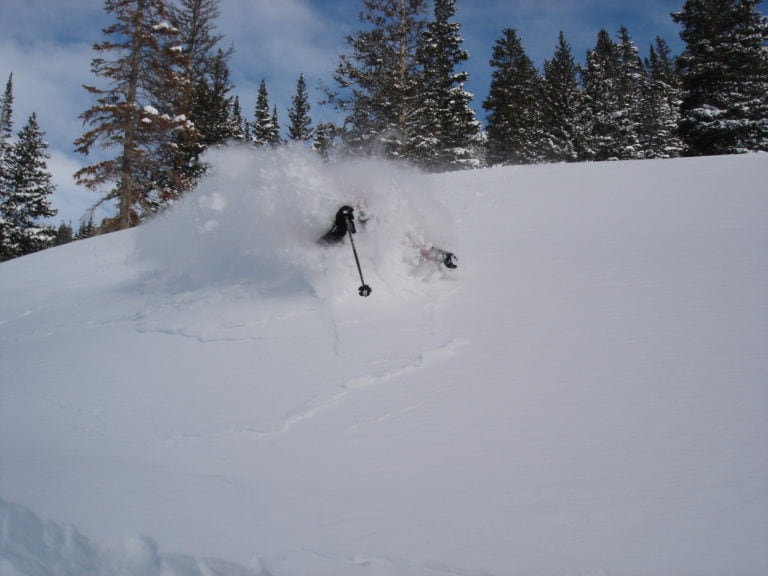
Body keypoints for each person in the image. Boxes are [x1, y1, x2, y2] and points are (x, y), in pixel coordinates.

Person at [319, 205, 458, 269]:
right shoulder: (343, 213)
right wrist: (341, 224)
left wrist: (441, 256)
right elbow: (321, 247)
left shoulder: (387, 219)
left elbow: (415, 246)